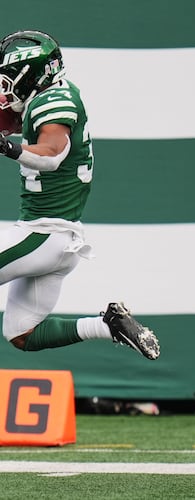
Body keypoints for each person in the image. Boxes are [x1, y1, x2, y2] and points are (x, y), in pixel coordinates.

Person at [0, 30, 159, 360]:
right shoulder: (50, 96)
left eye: (8, 80)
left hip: (43, 235)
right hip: (60, 240)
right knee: (21, 333)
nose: (4, 89)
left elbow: (51, 155)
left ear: (34, 77)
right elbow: (12, 122)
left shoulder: (53, 102)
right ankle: (109, 325)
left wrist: (6, 147)